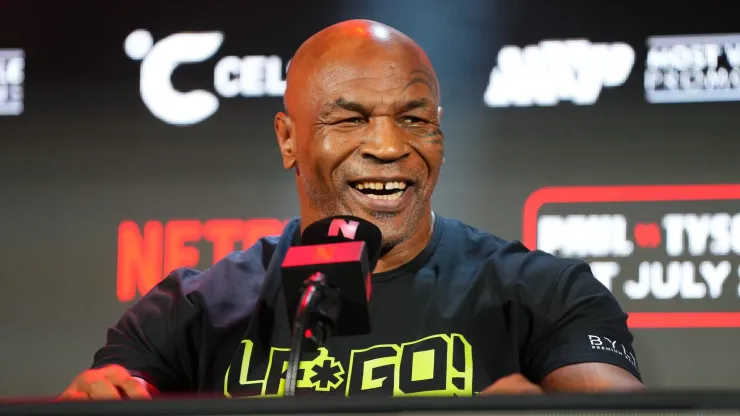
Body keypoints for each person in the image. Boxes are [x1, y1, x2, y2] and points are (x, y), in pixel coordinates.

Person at [59, 20, 645, 400]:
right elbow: (108, 395)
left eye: (415, 119)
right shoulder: (191, 309)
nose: (390, 147)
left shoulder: (544, 291)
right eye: (351, 119)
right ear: (288, 139)